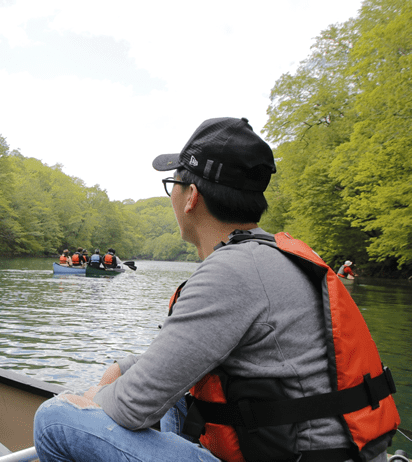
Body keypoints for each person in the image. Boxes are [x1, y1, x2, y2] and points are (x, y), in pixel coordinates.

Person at [33, 117, 398, 462]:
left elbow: (127, 408)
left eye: (172, 185)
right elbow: (186, 356)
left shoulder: (232, 272)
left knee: (56, 419)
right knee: (172, 395)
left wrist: (93, 397)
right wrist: (124, 366)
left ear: (191, 196)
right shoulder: (267, 257)